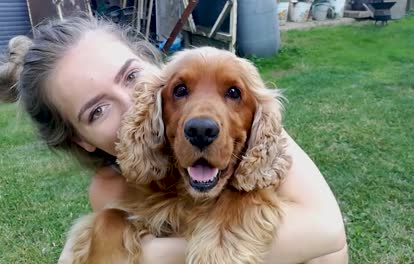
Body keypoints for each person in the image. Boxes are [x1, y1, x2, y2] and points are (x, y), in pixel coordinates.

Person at [0, 15, 348, 264]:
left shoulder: (259, 132)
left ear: (152, 65)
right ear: (81, 140)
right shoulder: (109, 191)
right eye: (97, 111)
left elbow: (328, 232)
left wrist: (152, 255)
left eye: (132, 76)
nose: (132, 103)